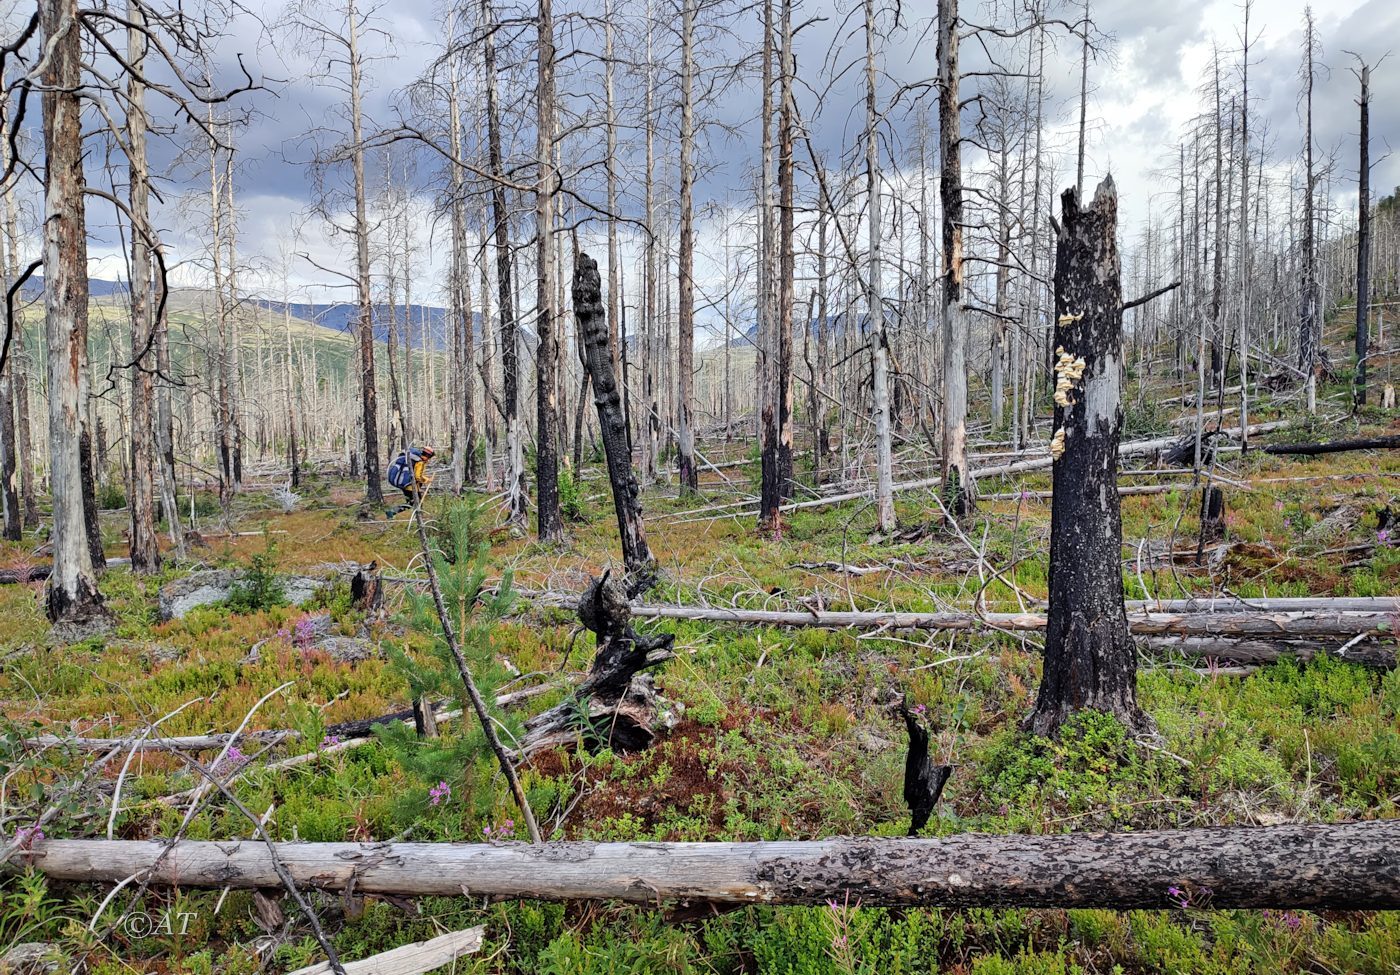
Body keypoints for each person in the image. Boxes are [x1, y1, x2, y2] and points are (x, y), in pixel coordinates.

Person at [385, 445, 435, 517]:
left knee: (411, 503)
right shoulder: (420, 462)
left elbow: (415, 474)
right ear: (428, 456)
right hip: (411, 486)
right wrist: (425, 480)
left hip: (405, 485)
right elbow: (417, 476)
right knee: (415, 503)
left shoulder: (415, 459)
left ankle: (392, 512)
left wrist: (427, 479)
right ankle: (392, 512)